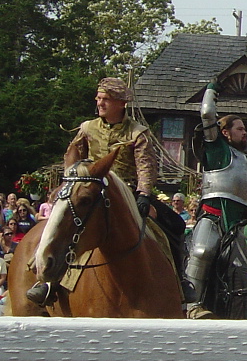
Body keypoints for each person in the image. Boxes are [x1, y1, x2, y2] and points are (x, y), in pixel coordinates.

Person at [27, 77, 183, 305]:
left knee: (175, 226)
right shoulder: (87, 128)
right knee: (66, 225)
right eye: (99, 98)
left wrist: (143, 194)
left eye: (106, 99)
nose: (99, 103)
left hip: (127, 193)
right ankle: (47, 282)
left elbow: (146, 167)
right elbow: (72, 156)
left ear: (121, 103)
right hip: (91, 190)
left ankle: (181, 284)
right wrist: (71, 182)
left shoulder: (138, 133)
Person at [182, 80, 247, 318]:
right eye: (240, 128)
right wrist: (211, 90)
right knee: (202, 251)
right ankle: (191, 306)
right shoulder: (217, 150)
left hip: (241, 225)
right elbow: (207, 113)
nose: (245, 132)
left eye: (245, 129)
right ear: (225, 132)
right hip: (214, 218)